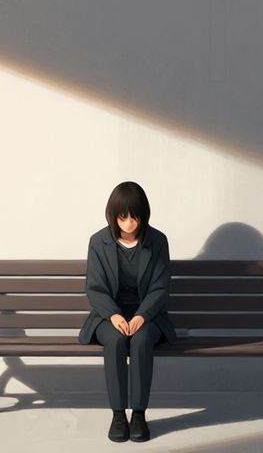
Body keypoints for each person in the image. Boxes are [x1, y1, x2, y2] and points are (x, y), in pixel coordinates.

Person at [77, 181, 177, 442]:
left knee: (142, 339)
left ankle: (139, 414)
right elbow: (95, 288)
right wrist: (114, 315)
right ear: (114, 215)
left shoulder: (158, 241)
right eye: (124, 217)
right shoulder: (98, 242)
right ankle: (118, 414)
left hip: (149, 315)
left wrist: (142, 315)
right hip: (109, 315)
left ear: (144, 215)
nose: (130, 223)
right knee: (115, 339)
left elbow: (160, 287)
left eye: (135, 217)